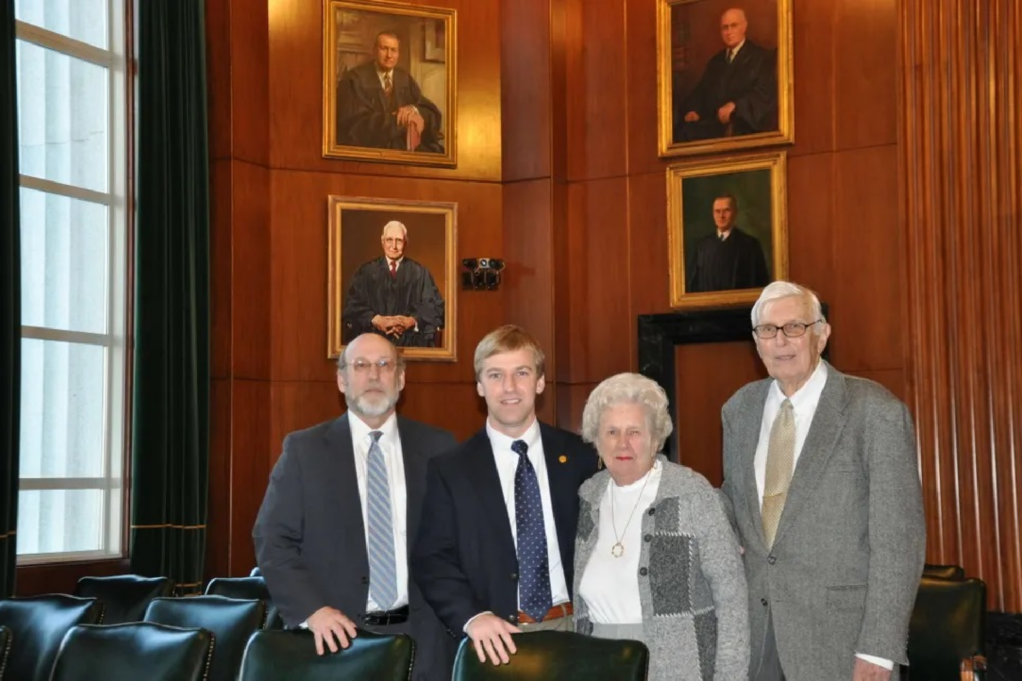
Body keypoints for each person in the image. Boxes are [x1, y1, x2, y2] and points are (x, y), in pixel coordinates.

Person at [719, 281, 925, 681]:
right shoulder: (739, 408)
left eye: (795, 326)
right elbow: (735, 500)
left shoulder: (875, 412)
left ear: (822, 334)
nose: (781, 341)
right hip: (755, 637)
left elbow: (898, 543)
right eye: (768, 330)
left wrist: (879, 651)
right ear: (756, 341)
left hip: (841, 643)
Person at [252, 332, 457, 679]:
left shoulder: (440, 448)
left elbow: (460, 543)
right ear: (342, 380)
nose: (373, 375)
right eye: (360, 366)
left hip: (426, 643)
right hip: (337, 640)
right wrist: (312, 610)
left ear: (401, 378)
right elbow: (273, 541)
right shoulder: (305, 452)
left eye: (384, 365)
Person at [412, 325, 599, 666]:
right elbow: (431, 560)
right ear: (480, 386)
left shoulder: (582, 457)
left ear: (540, 382)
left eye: (521, 373)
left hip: (575, 632)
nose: (509, 387)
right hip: (492, 642)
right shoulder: (450, 469)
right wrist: (471, 618)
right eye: (496, 375)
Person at [573, 373, 749, 681]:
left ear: (656, 438)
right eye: (611, 431)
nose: (622, 442)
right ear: (596, 439)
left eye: (635, 431)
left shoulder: (691, 492)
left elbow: (732, 598)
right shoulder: (591, 495)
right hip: (596, 663)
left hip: (678, 668)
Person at [675, 8, 777, 143]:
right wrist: (694, 110)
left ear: (744, 26)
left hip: (742, 126)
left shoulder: (760, 57)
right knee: (683, 132)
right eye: (725, 28)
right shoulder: (716, 62)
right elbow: (701, 92)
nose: (729, 32)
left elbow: (763, 94)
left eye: (734, 26)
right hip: (713, 126)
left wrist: (736, 106)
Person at [336, 31, 444, 153]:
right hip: (371, 151)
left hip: (403, 149)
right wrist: (398, 118)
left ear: (398, 54)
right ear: (374, 50)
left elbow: (430, 111)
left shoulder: (404, 78)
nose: (389, 55)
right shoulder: (355, 79)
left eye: (393, 50)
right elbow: (353, 126)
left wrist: (413, 110)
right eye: (384, 49)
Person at [342, 220, 445, 348]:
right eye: (389, 240)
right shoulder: (366, 272)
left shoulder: (420, 273)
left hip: (411, 345)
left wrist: (411, 321)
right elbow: (352, 307)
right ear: (382, 241)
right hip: (373, 344)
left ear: (406, 242)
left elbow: (435, 307)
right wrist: (376, 320)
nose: (394, 246)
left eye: (399, 241)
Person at [687, 193, 770, 293]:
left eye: (726, 210)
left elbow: (760, 285)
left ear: (735, 213)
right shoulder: (702, 247)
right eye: (717, 211)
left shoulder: (750, 245)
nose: (721, 216)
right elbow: (693, 287)